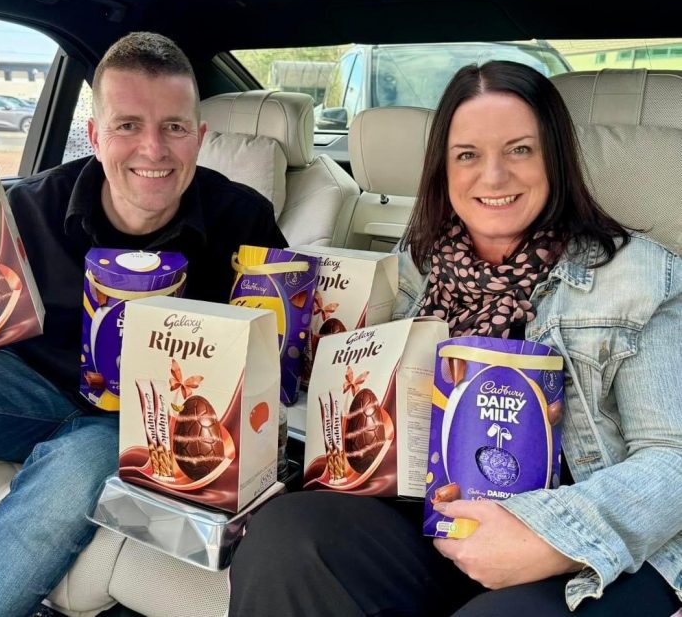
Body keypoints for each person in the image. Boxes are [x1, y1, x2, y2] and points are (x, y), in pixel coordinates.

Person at [0, 31, 286, 617]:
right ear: (96, 133)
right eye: (128, 125)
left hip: (137, 421)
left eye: (175, 128)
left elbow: (275, 354)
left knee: (79, 464)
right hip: (25, 388)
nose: (153, 150)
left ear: (200, 137)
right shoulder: (28, 207)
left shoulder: (244, 218)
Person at [228, 60, 682, 616]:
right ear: (443, 168)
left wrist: (549, 536)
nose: (493, 177)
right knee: (284, 538)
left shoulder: (639, 276)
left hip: (582, 543)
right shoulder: (417, 267)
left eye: (520, 150)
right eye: (468, 154)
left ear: (555, 161)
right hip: (435, 517)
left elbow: (672, 459)